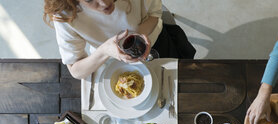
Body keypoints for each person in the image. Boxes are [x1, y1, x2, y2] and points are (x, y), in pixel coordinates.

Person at [43, 0, 196, 79]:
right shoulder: (65, 15)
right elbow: (76, 70)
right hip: (109, 60)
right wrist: (103, 50)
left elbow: (154, 13)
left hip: (156, 42)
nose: (104, 4)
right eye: (90, 0)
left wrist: (139, 36)